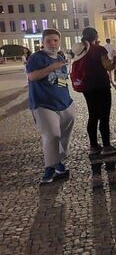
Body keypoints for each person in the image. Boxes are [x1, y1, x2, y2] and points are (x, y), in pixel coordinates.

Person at [26, 29, 75, 184]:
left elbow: (59, 81)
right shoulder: (36, 58)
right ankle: (50, 168)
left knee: (64, 134)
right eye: (49, 41)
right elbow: (32, 76)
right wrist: (52, 67)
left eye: (55, 40)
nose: (52, 44)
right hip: (43, 103)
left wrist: (67, 98)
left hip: (64, 102)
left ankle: (59, 162)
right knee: (52, 134)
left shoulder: (60, 57)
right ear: (43, 42)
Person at [78, 27, 116, 156]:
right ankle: (107, 146)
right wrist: (115, 60)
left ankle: (94, 146)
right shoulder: (99, 49)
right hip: (101, 85)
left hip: (87, 86)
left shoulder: (80, 50)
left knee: (92, 115)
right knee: (104, 116)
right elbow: (108, 66)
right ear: (95, 37)